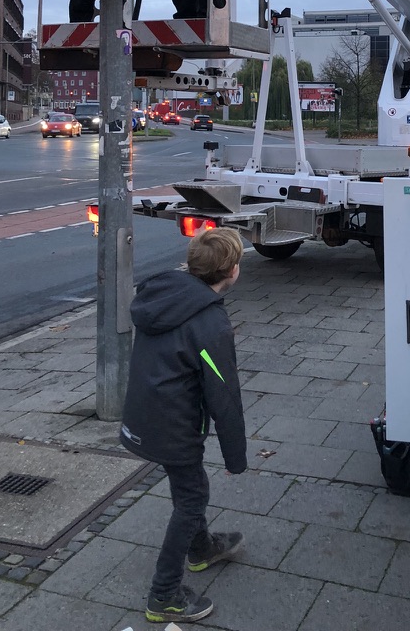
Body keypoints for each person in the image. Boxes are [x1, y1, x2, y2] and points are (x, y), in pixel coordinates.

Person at [120, 227, 246, 624]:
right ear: (232, 271)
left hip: (143, 415)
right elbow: (223, 396)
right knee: (192, 498)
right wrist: (235, 457)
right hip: (174, 424)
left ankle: (203, 548)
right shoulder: (209, 324)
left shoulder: (164, 294)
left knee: (188, 486)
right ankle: (164, 595)